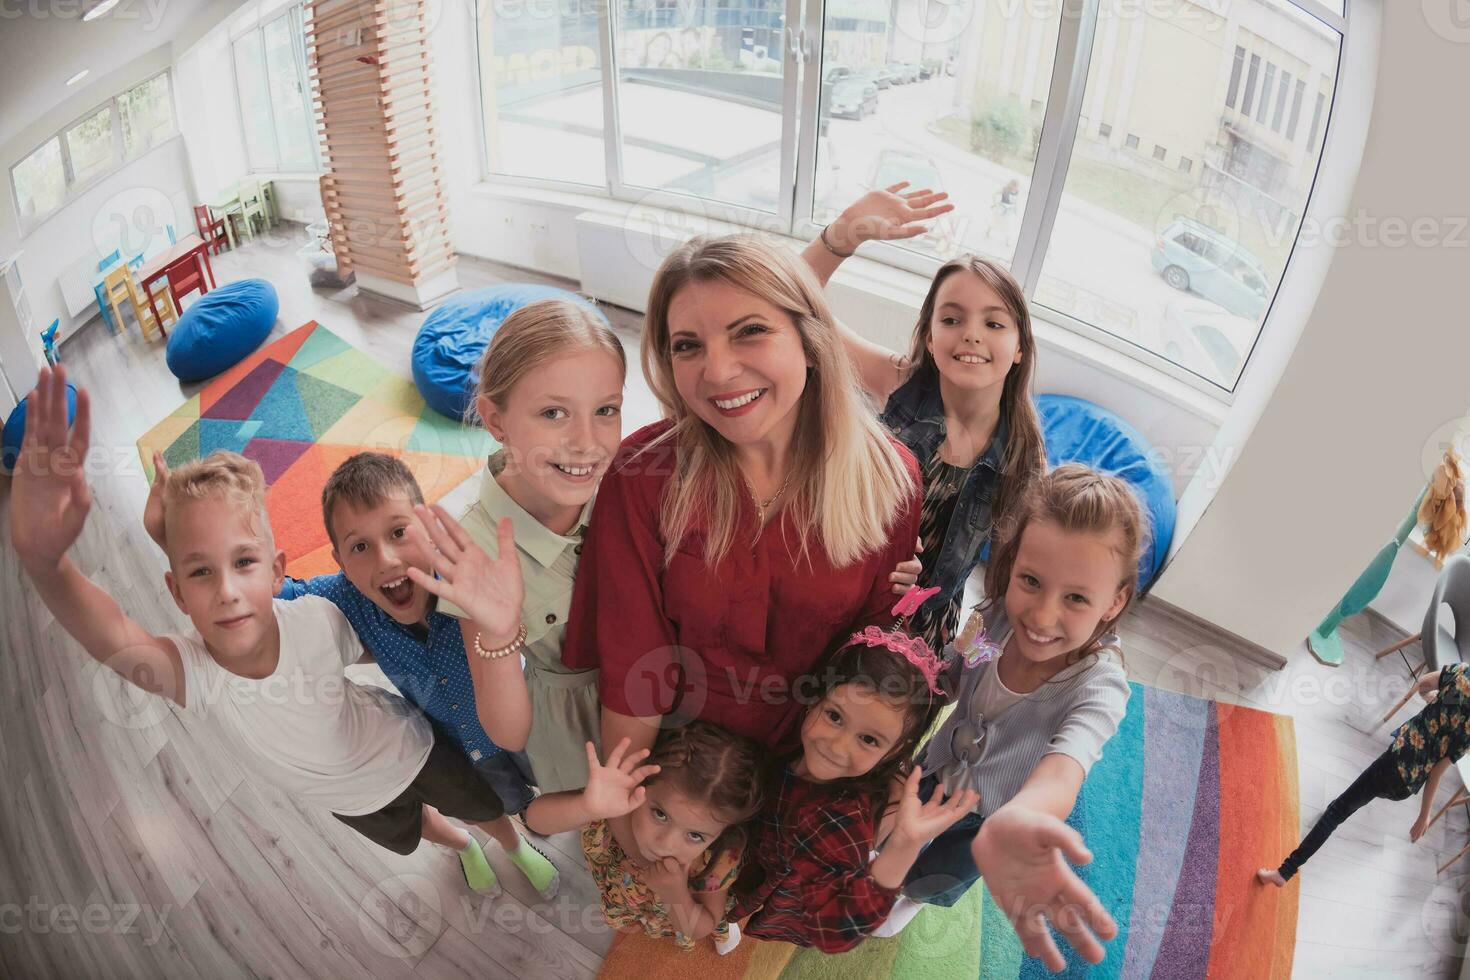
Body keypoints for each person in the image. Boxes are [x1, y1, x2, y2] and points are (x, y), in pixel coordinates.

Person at [9, 369, 528, 895]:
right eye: (200, 573)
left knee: (479, 804)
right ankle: (464, 848)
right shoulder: (197, 673)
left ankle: (514, 846)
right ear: (177, 591)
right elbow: (117, 637)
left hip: (410, 748)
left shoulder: (318, 618)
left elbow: (357, 617)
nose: (228, 592)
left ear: (277, 571)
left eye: (243, 563)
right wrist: (47, 565)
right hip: (351, 801)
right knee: (421, 829)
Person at [563, 234, 923, 757]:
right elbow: (632, 660)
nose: (718, 371)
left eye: (750, 332)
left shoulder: (889, 479)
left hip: (809, 758)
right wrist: (630, 807)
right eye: (687, 346)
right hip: (673, 759)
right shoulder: (643, 474)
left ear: (811, 339)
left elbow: (867, 662)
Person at [803, 185, 1047, 652]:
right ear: (930, 339)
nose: (971, 335)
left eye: (993, 323)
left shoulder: (1023, 454)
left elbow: (1016, 579)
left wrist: (970, 658)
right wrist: (842, 234)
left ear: (1019, 348)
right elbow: (798, 306)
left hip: (921, 637)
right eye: (952, 320)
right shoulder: (901, 381)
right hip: (844, 591)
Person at [441, 298, 627, 792]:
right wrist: (501, 635)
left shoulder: (625, 484)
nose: (587, 441)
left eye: (606, 410)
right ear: (497, 422)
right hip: (576, 737)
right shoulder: (472, 551)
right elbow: (508, 731)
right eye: (553, 413)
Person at [523, 724, 765, 951]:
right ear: (642, 784)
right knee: (630, 921)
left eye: (695, 835)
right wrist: (587, 807)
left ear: (723, 833)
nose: (664, 844)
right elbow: (536, 820)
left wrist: (676, 894)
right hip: (625, 895)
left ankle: (726, 934)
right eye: (660, 814)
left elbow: (703, 925)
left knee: (717, 923)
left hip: (678, 911)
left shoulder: (718, 859)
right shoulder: (618, 804)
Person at [1260, 663, 1470, 886]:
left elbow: (1424, 684)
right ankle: (1351, 802)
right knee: (1358, 798)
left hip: (1393, 762)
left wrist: (1432, 698)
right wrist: (1424, 815)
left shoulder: (1462, 673)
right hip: (1405, 786)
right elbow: (1437, 771)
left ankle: (1284, 872)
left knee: (1337, 811)